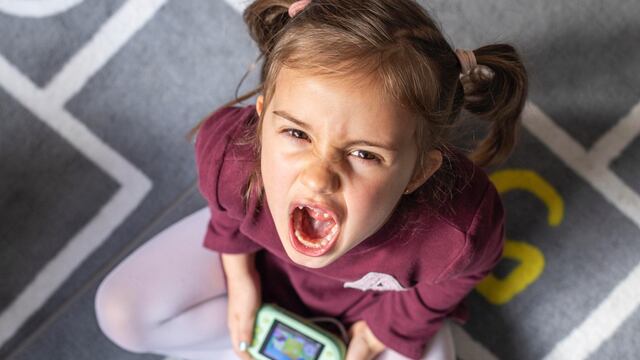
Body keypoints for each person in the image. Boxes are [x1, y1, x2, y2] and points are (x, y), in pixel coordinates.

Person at [94, 0, 528, 359]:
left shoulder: (455, 229)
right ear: (261, 124)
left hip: (375, 308)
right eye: (297, 133)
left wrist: (388, 330)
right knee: (120, 314)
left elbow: (462, 274)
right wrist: (240, 275)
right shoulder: (233, 154)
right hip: (264, 267)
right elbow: (225, 209)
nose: (319, 178)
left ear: (417, 172)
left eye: (363, 153)